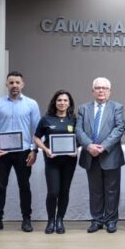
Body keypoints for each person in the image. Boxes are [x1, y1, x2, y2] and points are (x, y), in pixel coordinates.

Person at [0, 71, 41, 234]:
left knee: (24, 186)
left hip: (24, 151)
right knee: (0, 186)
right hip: (2, 152)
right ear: (6, 84)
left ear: (22, 84)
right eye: (11, 83)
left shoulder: (31, 104)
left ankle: (26, 219)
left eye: (17, 82)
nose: (14, 85)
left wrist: (34, 150)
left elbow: (37, 129)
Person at [76, 77, 125, 234]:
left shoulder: (117, 107)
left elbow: (119, 128)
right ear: (93, 91)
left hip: (110, 154)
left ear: (110, 91)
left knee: (112, 190)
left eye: (104, 88)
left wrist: (103, 147)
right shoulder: (83, 108)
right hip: (90, 155)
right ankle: (97, 220)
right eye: (98, 88)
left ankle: (111, 220)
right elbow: (78, 130)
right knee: (95, 190)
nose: (101, 90)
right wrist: (89, 146)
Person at [33, 90, 77, 234]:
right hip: (52, 160)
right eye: (59, 100)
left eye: (65, 100)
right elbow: (36, 138)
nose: (62, 103)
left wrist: (76, 149)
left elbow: (80, 138)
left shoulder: (74, 119)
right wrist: (45, 150)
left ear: (69, 103)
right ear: (55, 102)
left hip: (69, 161)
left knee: (64, 191)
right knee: (53, 192)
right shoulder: (46, 119)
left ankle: (60, 220)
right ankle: (51, 220)